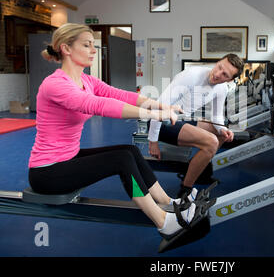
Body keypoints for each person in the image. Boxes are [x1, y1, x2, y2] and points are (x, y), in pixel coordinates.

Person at [28, 23, 201, 241]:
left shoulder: (86, 81)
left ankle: (168, 203)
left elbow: (120, 95)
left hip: (68, 158)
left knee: (129, 151)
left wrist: (160, 106)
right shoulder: (55, 84)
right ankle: (163, 222)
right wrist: (153, 115)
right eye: (87, 45)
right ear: (66, 48)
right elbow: (97, 105)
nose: (93, 50)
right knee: (120, 160)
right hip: (47, 172)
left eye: (94, 45)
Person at [148, 54, 244, 198]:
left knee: (221, 134)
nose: (217, 74)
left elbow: (217, 117)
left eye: (225, 74)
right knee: (211, 142)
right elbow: (160, 106)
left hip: (185, 119)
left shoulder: (222, 88)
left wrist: (223, 129)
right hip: (163, 121)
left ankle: (199, 169)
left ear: (230, 79)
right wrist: (153, 141)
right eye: (219, 67)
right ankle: (186, 188)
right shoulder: (191, 75)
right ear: (217, 62)